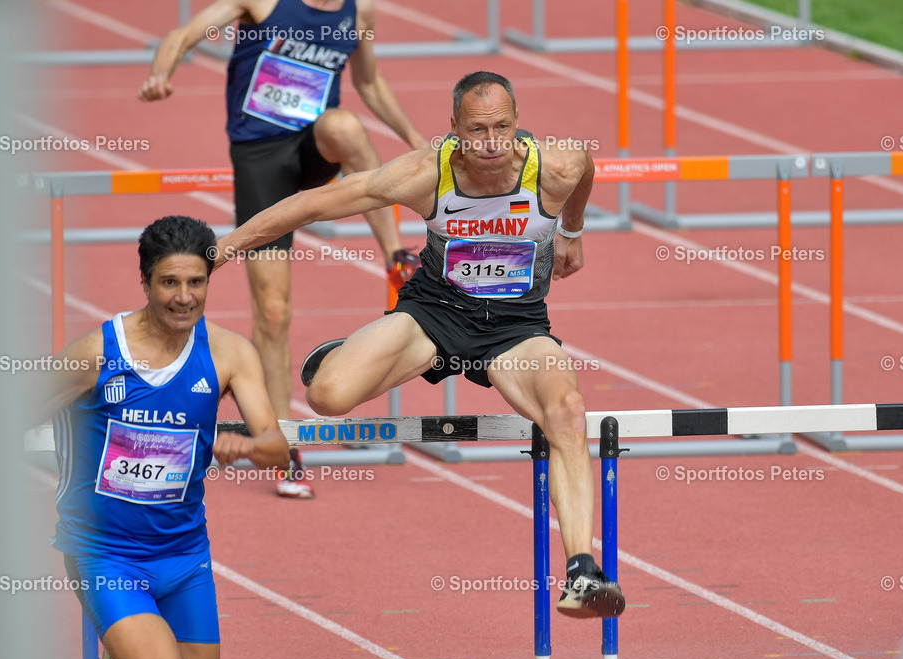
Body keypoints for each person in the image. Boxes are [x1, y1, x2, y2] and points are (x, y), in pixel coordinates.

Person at [215, 71, 625, 618]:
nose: (491, 142)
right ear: (451, 129)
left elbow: (585, 172)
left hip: (517, 327)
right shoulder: (423, 173)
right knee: (328, 398)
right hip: (434, 315)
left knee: (568, 412)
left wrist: (571, 232)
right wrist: (226, 247)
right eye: (476, 130)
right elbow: (315, 203)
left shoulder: (556, 165)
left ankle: (581, 571)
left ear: (518, 124)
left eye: (502, 127)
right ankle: (349, 353)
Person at [139, 0, 428, 498]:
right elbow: (186, 34)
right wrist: (161, 75)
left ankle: (397, 254)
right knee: (273, 312)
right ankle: (281, 442)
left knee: (344, 125)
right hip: (261, 157)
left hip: (313, 146)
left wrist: (419, 140)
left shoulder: (360, 14)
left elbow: (370, 84)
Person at [34, 216, 290, 659]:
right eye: (169, 282)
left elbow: (278, 449)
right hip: (106, 554)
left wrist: (250, 446)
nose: (184, 296)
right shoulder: (97, 353)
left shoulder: (230, 354)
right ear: (145, 282)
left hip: (186, 556)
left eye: (196, 282)